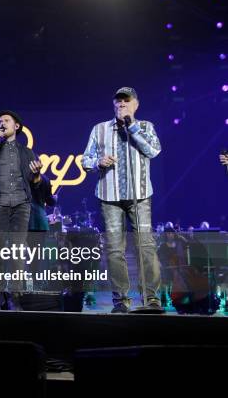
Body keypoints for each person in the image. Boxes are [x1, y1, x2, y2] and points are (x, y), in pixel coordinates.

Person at [82, 87, 162, 313]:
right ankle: (121, 302)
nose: (121, 105)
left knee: (145, 247)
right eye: (118, 102)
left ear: (136, 104)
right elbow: (85, 159)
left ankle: (151, 299)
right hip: (110, 197)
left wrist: (133, 127)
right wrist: (99, 161)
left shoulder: (146, 127)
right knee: (115, 251)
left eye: (126, 101)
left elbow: (154, 150)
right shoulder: (100, 129)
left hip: (140, 196)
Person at [0, 110, 42, 310]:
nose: (2, 123)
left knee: (17, 251)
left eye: (6, 120)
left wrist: (37, 175)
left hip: (21, 205)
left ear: (16, 126)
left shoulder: (27, 152)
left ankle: (14, 296)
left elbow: (36, 184)